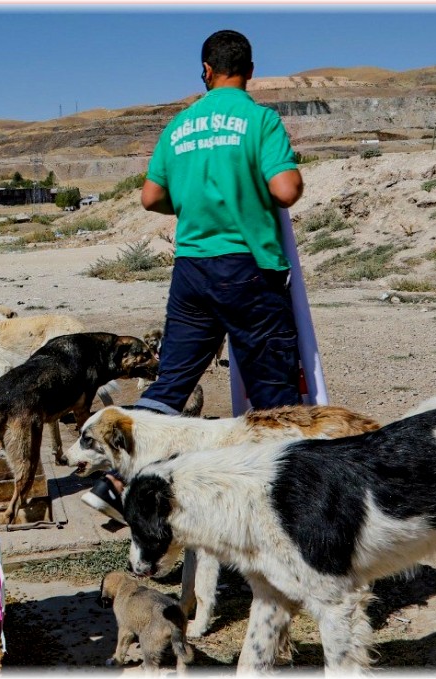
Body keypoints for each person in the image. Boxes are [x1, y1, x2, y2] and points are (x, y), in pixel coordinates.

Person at [84, 29, 305, 522]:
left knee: (171, 384)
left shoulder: (180, 126)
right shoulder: (261, 120)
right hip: (248, 270)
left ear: (206, 70)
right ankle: (282, 511)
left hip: (192, 272)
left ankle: (116, 480)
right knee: (274, 396)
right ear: (249, 69)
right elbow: (286, 189)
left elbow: (151, 197)